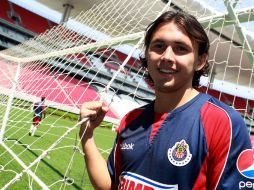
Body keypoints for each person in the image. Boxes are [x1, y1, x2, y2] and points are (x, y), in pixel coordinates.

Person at [79, 11, 252, 189]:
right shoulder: (130, 120)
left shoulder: (223, 122)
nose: (167, 57)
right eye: (159, 46)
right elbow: (111, 185)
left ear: (200, 61)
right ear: (147, 54)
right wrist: (87, 136)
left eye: (181, 48)